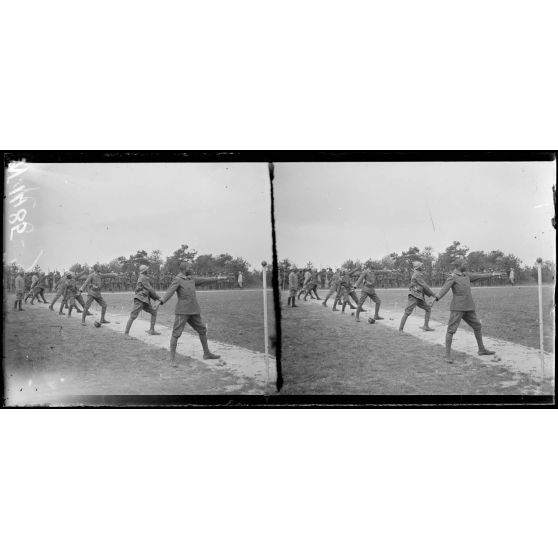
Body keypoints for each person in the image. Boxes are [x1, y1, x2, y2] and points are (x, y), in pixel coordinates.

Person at [436, 259, 505, 363]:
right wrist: (436, 298)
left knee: (477, 326)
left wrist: (492, 274)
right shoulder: (452, 277)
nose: (466, 264)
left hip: (468, 307)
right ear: (459, 266)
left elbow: (480, 276)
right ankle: (447, 356)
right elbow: (444, 289)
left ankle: (481, 350)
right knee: (451, 330)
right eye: (464, 263)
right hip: (457, 308)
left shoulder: (466, 275)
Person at [159, 262, 226, 366]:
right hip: (182, 311)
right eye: (190, 267)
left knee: (202, 330)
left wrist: (217, 278)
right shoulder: (178, 279)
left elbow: (205, 280)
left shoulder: (192, 279)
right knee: (176, 334)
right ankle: (171, 360)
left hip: (194, 310)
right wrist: (161, 301)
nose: (192, 269)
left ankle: (207, 353)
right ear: (185, 269)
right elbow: (170, 291)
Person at [124, 265, 163, 336]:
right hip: (140, 299)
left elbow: (148, 291)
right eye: (147, 269)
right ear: (144, 271)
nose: (148, 270)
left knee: (154, 312)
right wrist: (158, 298)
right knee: (133, 316)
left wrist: (156, 298)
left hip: (144, 300)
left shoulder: (142, 277)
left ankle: (151, 330)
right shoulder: (143, 277)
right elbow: (150, 289)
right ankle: (126, 333)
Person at [399, 261, 436, 332]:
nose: (423, 267)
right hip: (414, 296)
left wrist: (431, 294)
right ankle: (400, 330)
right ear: (418, 267)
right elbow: (424, 285)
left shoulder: (418, 274)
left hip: (419, 297)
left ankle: (426, 326)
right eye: (421, 266)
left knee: (428, 308)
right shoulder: (417, 274)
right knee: (407, 312)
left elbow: (422, 287)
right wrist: (433, 294)